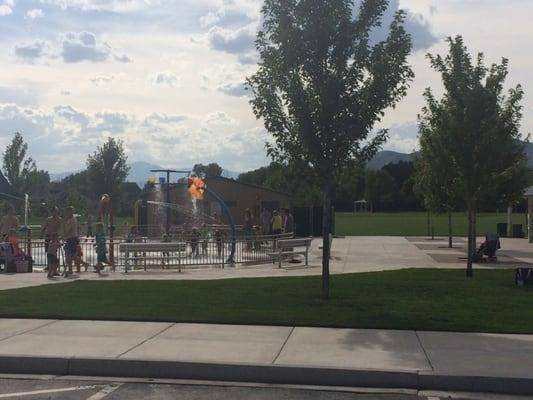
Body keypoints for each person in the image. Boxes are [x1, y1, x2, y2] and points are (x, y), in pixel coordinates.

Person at [59, 206, 78, 276]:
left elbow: (70, 230)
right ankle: (70, 269)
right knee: (69, 255)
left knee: (70, 255)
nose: (66, 213)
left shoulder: (73, 219)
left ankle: (70, 269)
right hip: (68, 238)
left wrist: (64, 236)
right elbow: (63, 227)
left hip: (72, 238)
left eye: (68, 212)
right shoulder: (67, 219)